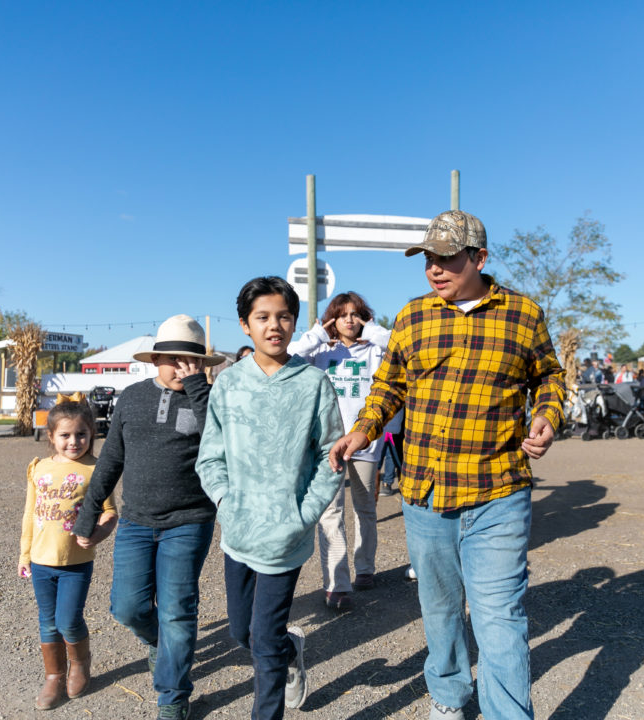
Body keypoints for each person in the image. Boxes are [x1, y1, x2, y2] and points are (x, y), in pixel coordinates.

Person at [329, 210, 566, 720]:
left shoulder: (523, 314)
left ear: (479, 258)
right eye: (428, 259)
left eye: (447, 258)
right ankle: (450, 696)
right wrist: (364, 428)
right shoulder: (413, 317)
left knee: (498, 614)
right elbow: (389, 385)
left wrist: (547, 414)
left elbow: (549, 376)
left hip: (498, 490)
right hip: (426, 493)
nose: (435, 269)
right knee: (439, 609)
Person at [196, 276, 344, 720]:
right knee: (242, 631)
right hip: (239, 532)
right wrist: (226, 503)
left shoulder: (314, 383)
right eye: (263, 317)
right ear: (245, 325)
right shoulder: (227, 383)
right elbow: (210, 456)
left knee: (261, 640)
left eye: (283, 316)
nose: (274, 325)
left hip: (286, 535)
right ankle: (290, 647)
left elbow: (330, 455)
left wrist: (304, 514)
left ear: (295, 322)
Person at [73, 315, 225, 720]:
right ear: (155, 360)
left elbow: (224, 441)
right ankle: (161, 643)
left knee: (177, 608)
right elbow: (111, 460)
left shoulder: (210, 397)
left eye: (190, 362)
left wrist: (198, 389)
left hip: (190, 519)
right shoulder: (133, 397)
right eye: (172, 359)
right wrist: (88, 513)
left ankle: (172, 696)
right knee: (127, 608)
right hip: (137, 521)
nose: (181, 368)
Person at [288, 291, 391, 610]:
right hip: (327, 442)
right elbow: (289, 356)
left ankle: (365, 569)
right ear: (332, 318)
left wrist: (371, 330)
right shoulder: (319, 350)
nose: (349, 319)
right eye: (342, 314)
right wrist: (319, 332)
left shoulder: (374, 348)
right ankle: (337, 582)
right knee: (329, 512)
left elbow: (399, 347)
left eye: (356, 314)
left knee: (365, 508)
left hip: (366, 438)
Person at [18, 397, 118, 710]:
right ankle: (54, 675)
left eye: (81, 435)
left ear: (91, 434)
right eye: (65, 435)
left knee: (69, 621)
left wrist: (100, 534)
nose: (73, 441)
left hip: (76, 563)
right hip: (41, 561)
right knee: (48, 622)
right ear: (51, 436)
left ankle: (80, 664)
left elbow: (110, 512)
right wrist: (24, 555)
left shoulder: (96, 469)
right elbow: (29, 513)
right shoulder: (40, 468)